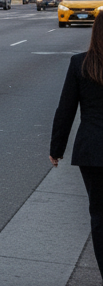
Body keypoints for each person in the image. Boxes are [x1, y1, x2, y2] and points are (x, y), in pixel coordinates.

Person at [50, 14, 103, 273]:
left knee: (99, 216)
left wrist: (56, 149)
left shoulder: (80, 64)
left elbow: (66, 110)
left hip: (92, 151)